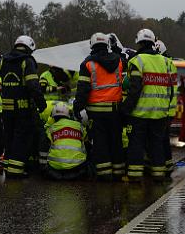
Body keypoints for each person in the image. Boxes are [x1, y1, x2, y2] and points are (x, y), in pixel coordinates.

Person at [120, 28, 175, 182]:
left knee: (136, 145)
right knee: (156, 145)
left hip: (140, 114)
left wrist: (125, 109)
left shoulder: (136, 61)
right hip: (160, 114)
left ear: (139, 42)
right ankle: (158, 176)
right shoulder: (166, 62)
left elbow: (134, 89)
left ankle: (135, 177)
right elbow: (171, 90)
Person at [0, 35, 46, 178]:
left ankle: (8, 168)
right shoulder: (27, 61)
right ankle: (15, 172)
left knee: (9, 139)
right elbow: (33, 85)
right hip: (23, 109)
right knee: (21, 140)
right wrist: (41, 103)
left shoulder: (4, 60)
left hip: (7, 110)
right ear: (29, 47)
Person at [74, 32, 125, 181]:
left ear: (92, 45)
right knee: (116, 142)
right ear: (107, 44)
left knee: (101, 144)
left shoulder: (87, 64)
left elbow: (82, 90)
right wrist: (116, 49)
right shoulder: (119, 61)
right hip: (115, 111)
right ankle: (118, 173)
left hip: (96, 113)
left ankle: (104, 175)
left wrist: (77, 107)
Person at [44, 102, 89, 180]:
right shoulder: (79, 126)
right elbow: (87, 141)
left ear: (53, 117)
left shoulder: (51, 129)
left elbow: (45, 144)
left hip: (55, 168)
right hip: (78, 167)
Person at [154, 40, 179, 176]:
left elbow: (171, 91)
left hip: (163, 110)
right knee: (163, 139)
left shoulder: (166, 64)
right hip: (165, 110)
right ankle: (167, 166)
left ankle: (164, 167)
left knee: (161, 139)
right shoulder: (169, 64)